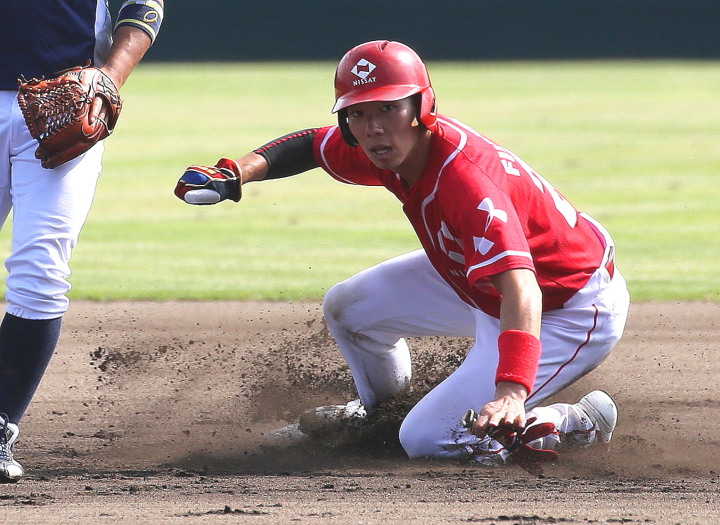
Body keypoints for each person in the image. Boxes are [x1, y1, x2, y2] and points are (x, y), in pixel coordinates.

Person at [174, 40, 630, 469]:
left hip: (565, 307)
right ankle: (378, 415)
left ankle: (574, 422)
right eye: (357, 113)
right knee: (349, 307)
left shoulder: (468, 183)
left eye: (389, 108)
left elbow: (522, 289)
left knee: (428, 439)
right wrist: (235, 173)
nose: (373, 126)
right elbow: (310, 146)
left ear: (422, 108)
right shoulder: (385, 146)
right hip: (479, 280)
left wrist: (511, 391)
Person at [0, 0, 165, 482]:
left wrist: (110, 77)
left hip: (60, 101)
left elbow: (144, 4)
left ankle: (1, 422)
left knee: (41, 271)